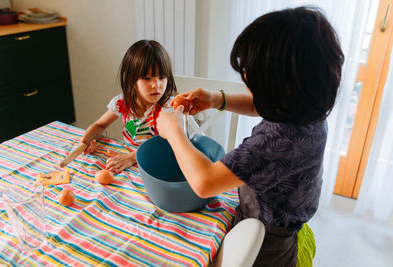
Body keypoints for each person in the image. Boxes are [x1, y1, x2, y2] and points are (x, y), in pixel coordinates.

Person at [157, 7, 344, 266]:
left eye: (252, 77)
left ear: (284, 85)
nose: (245, 79)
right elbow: (261, 105)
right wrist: (217, 99)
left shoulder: (280, 142)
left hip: (267, 240)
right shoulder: (305, 108)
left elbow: (204, 182)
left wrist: (174, 130)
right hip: (272, 214)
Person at [81, 40, 177, 173]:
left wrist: (132, 158)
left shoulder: (169, 107)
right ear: (132, 80)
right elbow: (100, 126)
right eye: (147, 78)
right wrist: (87, 140)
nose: (156, 85)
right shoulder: (122, 103)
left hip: (156, 165)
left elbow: (166, 145)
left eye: (162, 77)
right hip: (127, 163)